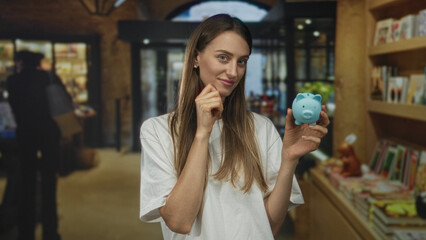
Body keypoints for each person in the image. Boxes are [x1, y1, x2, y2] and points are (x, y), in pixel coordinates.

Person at [139, 14, 329, 239]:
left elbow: (269, 225)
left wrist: (289, 159)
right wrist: (202, 134)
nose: (233, 71)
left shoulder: (262, 128)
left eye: (241, 61)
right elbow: (179, 221)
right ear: (196, 58)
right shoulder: (157, 130)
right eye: (223, 57)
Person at [6, 50, 62, 240]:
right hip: (48, 134)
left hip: (25, 135)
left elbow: (12, 107)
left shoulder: (13, 81)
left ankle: (25, 231)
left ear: (20, 62)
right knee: (49, 185)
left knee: (26, 183)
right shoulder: (49, 77)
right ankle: (50, 232)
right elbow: (63, 103)